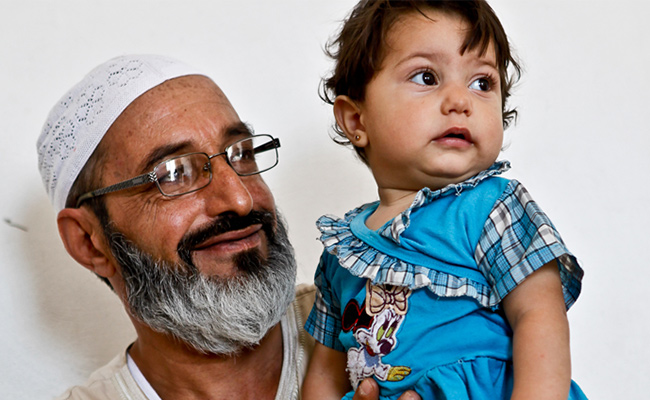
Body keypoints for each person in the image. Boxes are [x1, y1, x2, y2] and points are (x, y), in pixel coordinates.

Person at [37, 54, 420, 400]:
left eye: (243, 154)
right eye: (174, 174)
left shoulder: (387, 322)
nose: (239, 199)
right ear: (89, 242)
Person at [302, 1, 588, 399]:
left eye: (482, 83)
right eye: (426, 76)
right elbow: (325, 373)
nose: (460, 100)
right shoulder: (342, 252)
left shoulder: (493, 207)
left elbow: (540, 318)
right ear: (356, 121)